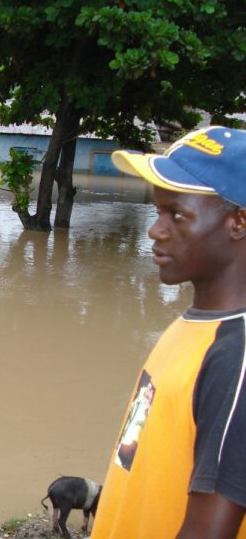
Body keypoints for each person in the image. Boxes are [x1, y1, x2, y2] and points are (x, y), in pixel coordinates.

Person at [90, 126, 246, 539]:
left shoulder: (237, 358)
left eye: (176, 214)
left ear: (239, 222)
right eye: (158, 211)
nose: (155, 231)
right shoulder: (194, 326)